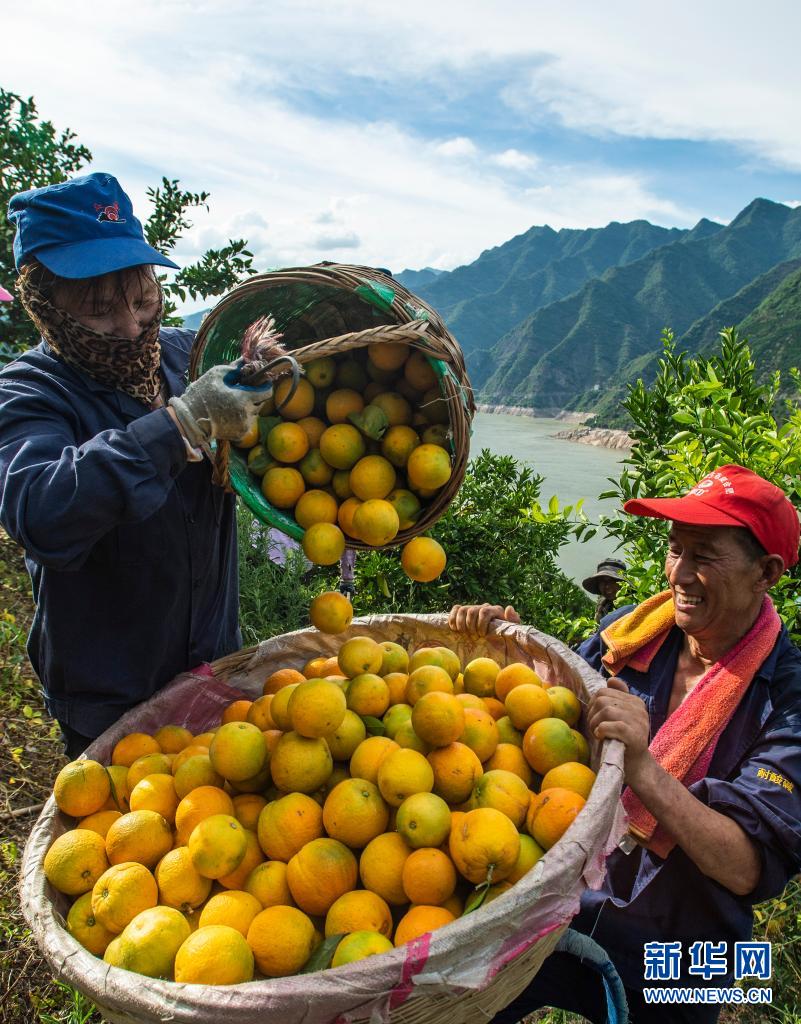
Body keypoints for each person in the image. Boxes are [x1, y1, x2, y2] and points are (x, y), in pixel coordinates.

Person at [450, 465, 801, 1023]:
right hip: (568, 902)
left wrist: (645, 767)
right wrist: (509, 657)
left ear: (766, 572)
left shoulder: (787, 700)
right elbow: (550, 719)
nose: (679, 573)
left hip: (685, 951)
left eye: (704, 555)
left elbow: (745, 868)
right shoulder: (630, 635)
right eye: (675, 548)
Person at [0, 172, 277, 758]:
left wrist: (263, 374)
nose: (130, 326)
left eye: (144, 299)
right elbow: (42, 510)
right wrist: (179, 426)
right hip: (109, 695)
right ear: (43, 305)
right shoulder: (29, 392)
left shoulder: (185, 354)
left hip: (213, 664)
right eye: (98, 311)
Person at [583, 557, 626, 622]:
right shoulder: (602, 607)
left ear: (622, 583)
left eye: (612, 580)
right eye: (602, 581)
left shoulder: (634, 605)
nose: (607, 586)